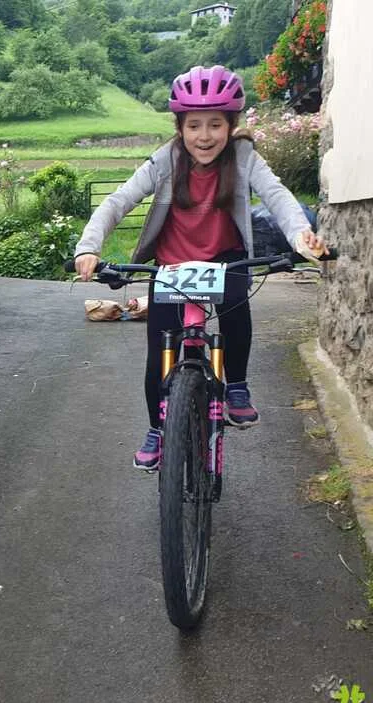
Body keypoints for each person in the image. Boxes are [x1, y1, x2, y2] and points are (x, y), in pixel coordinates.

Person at [72, 66, 327, 472]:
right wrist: (89, 247)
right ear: (180, 127)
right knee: (159, 353)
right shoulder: (165, 161)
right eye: (193, 126)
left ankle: (237, 386)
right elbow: (118, 201)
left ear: (231, 125)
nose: (204, 136)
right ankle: (157, 429)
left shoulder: (243, 158)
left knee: (236, 309)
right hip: (171, 265)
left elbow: (277, 196)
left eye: (215, 125)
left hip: (225, 259)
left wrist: (300, 236)